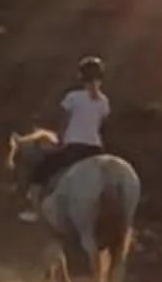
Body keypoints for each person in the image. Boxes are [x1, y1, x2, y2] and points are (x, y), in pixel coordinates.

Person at [20, 57, 111, 206]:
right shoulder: (104, 101)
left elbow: (64, 121)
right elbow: (102, 125)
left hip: (74, 147)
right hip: (96, 149)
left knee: (43, 169)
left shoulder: (73, 97)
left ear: (81, 77)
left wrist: (61, 140)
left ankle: (33, 208)